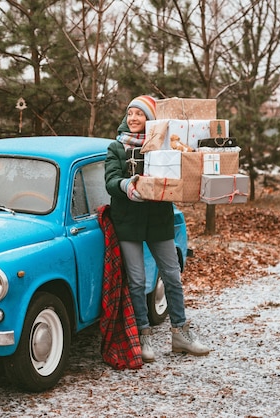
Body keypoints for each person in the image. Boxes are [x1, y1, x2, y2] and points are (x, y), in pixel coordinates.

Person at [104, 95, 210, 362]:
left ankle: (180, 333)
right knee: (138, 281)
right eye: (130, 114)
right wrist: (127, 186)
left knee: (172, 276)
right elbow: (110, 181)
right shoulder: (116, 147)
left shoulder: (164, 145)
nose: (133, 119)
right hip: (128, 220)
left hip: (159, 218)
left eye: (139, 114)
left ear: (151, 119)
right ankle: (143, 335)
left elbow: (178, 174)